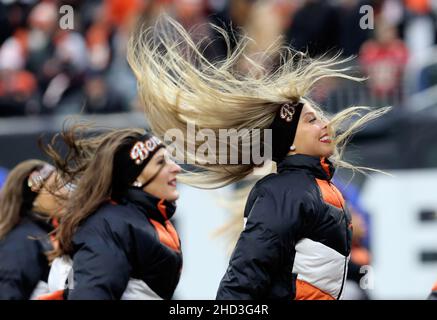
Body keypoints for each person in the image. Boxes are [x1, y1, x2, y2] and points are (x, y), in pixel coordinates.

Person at [126, 16, 390, 300]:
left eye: (320, 117)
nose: (324, 124)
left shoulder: (315, 188)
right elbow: (245, 276)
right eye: (311, 120)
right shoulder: (285, 192)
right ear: (289, 145)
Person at [40, 127, 182, 300]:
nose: (176, 168)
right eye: (161, 162)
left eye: (170, 159)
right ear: (134, 178)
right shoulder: (110, 225)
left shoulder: (138, 218)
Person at [0, 160, 65, 300]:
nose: (64, 193)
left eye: (63, 185)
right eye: (55, 187)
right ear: (33, 198)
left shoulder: (41, 233)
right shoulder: (24, 239)